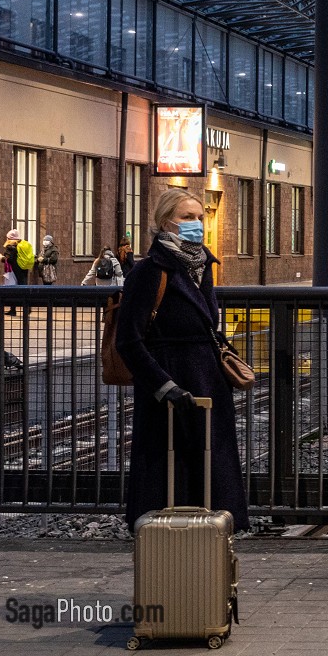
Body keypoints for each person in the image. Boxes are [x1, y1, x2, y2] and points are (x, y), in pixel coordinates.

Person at [117, 187, 249, 531]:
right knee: (169, 474)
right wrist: (164, 386)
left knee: (211, 471)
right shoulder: (149, 272)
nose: (197, 225)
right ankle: (169, 548)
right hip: (171, 392)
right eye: (186, 218)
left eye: (199, 218)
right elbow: (129, 341)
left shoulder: (201, 265)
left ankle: (211, 543)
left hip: (207, 386)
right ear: (165, 223)